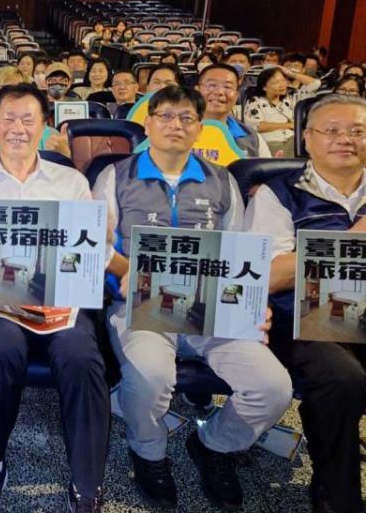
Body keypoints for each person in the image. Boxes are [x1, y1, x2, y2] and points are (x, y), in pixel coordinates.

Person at [94, 85, 292, 511]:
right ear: (147, 123)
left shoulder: (221, 180)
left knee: (272, 387)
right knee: (150, 376)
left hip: (211, 308)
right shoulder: (117, 175)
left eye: (186, 118)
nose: (175, 125)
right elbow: (96, 244)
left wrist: (252, 305)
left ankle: (214, 445)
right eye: (165, 116)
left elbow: (240, 251)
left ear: (200, 127)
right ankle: (148, 452)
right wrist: (131, 273)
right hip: (139, 305)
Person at [0, 84, 110, 513]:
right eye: (9, 119)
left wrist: (102, 245)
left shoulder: (72, 181)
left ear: (44, 127)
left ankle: (86, 483)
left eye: (28, 120)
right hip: (0, 304)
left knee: (81, 357)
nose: (18, 129)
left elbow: (90, 252)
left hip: (61, 304)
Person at [245, 94, 366, 513]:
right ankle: (337, 498)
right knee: (341, 378)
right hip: (303, 315)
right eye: (331, 130)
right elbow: (268, 274)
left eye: (357, 131)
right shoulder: (279, 195)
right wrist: (350, 240)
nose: (345, 140)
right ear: (307, 139)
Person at [196, 64, 272, 157]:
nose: (219, 92)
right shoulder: (177, 130)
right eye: (212, 85)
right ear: (197, 90)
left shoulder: (252, 138)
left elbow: (263, 169)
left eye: (227, 87)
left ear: (236, 96)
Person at [243, 66, 321, 157]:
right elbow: (256, 126)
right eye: (276, 82)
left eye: (283, 80)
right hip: (270, 143)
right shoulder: (255, 101)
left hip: (294, 142)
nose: (282, 85)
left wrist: (290, 73)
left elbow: (315, 84)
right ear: (264, 87)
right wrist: (288, 125)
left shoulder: (292, 98)